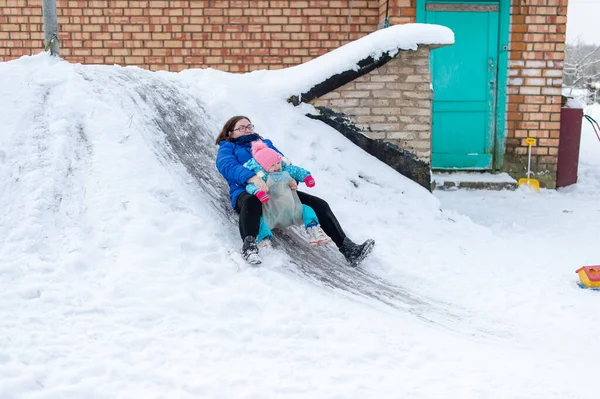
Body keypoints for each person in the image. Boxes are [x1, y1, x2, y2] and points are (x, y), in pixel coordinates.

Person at [215, 115, 375, 266]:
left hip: (279, 192)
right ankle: (249, 248)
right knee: (250, 202)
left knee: (319, 205)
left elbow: (285, 164)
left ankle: (349, 250)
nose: (248, 130)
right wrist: (252, 178)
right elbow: (227, 166)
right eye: (242, 128)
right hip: (249, 192)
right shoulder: (228, 147)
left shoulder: (265, 144)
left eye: (249, 126)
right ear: (230, 133)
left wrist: (292, 180)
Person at [244, 139, 332, 247]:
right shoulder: (261, 178)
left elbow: (296, 170)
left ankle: (313, 229)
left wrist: (307, 177)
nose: (277, 167)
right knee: (260, 221)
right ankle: (264, 240)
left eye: (278, 163)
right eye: (272, 165)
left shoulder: (285, 171)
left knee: (307, 209)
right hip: (270, 212)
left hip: (291, 208)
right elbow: (250, 186)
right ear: (263, 166)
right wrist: (259, 192)